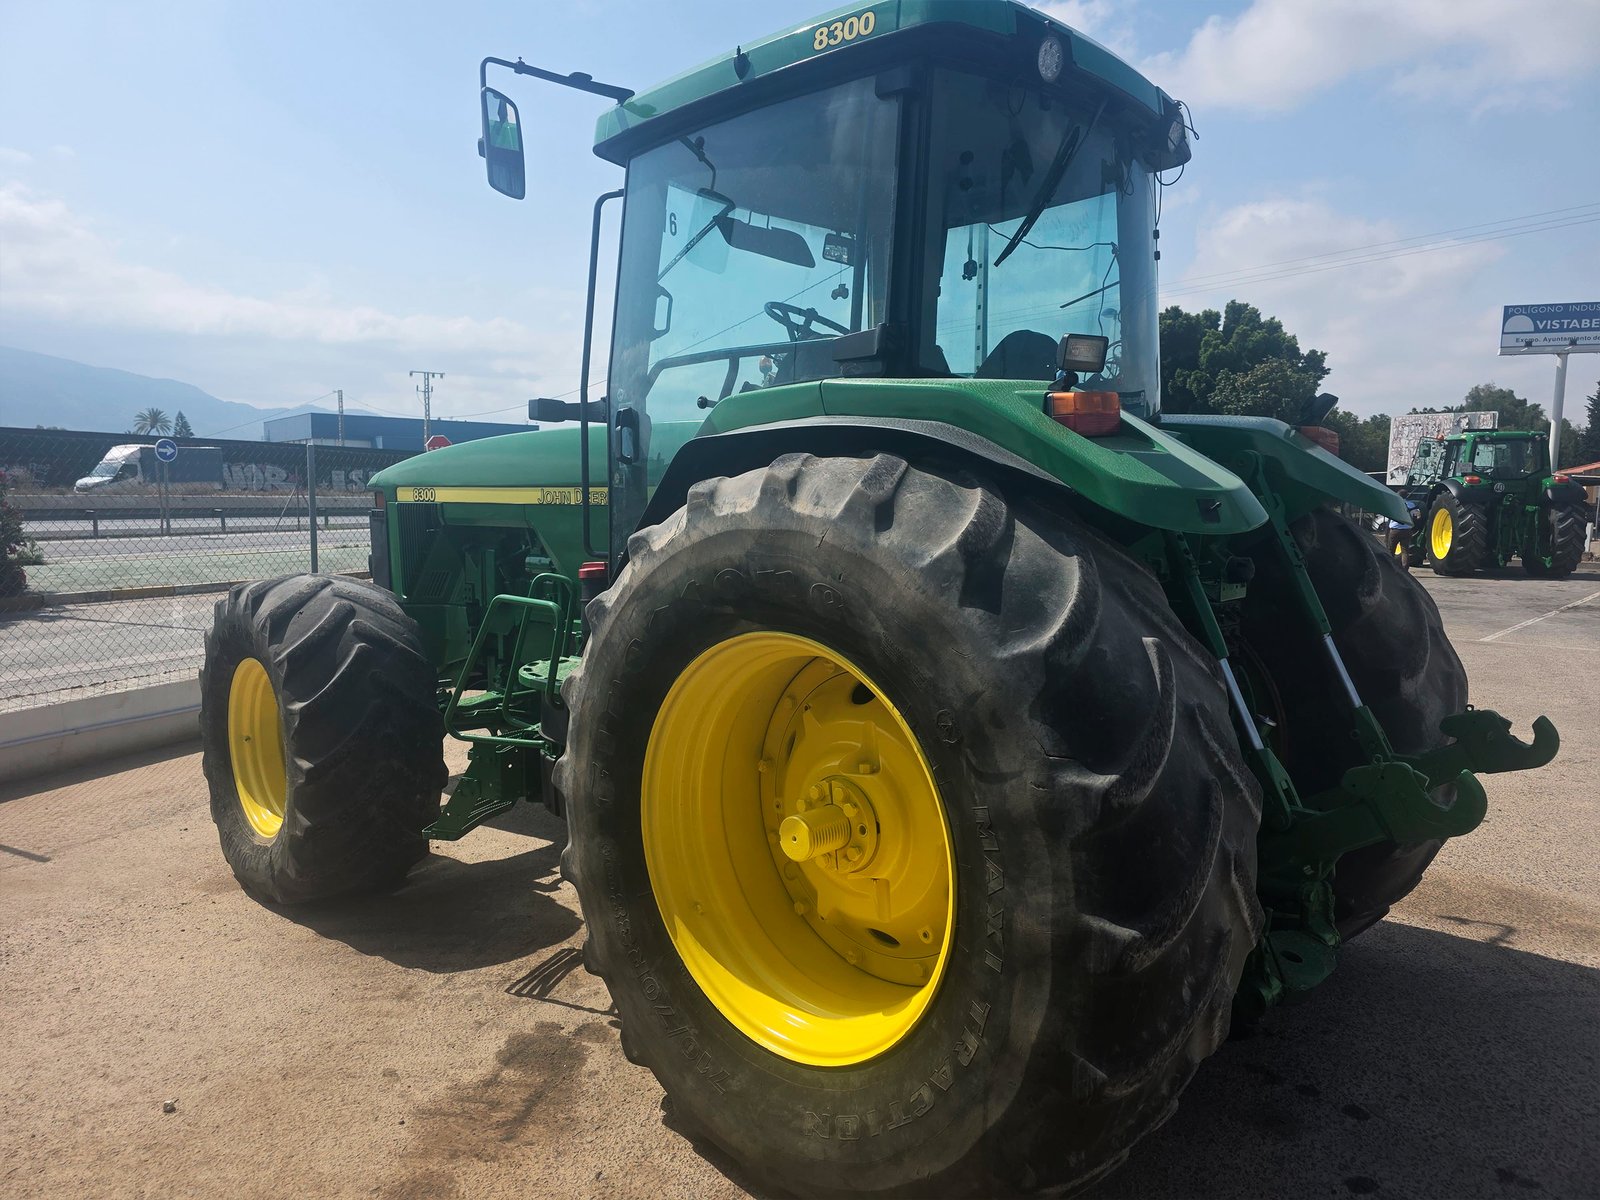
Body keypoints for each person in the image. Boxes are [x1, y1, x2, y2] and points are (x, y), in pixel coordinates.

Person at [1385, 499, 1420, 569]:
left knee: (1391, 550)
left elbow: (1388, 517)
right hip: (1407, 530)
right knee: (1405, 551)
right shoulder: (1411, 505)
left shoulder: (1393, 504)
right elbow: (1417, 516)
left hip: (1395, 530)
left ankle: (1390, 567)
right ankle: (1405, 568)